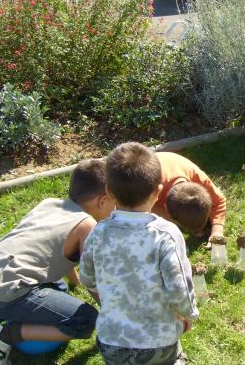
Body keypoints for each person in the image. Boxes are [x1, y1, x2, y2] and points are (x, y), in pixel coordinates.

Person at [80, 142, 198, 364]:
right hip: (159, 343)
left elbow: (87, 277)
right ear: (158, 192)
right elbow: (179, 286)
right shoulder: (167, 235)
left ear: (108, 191)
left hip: (111, 341)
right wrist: (188, 314)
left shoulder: (98, 232)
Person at [0, 159, 115, 365]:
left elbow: (65, 252)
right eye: (114, 203)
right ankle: (5, 333)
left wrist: (74, 282)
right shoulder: (88, 224)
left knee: (59, 286)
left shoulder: (49, 203)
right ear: (103, 200)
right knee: (85, 320)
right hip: (5, 291)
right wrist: (109, 310)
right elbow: (92, 276)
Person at [152, 152, 226, 243]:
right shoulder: (149, 190)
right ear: (166, 208)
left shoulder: (199, 178)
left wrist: (217, 232)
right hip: (144, 169)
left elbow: (219, 201)